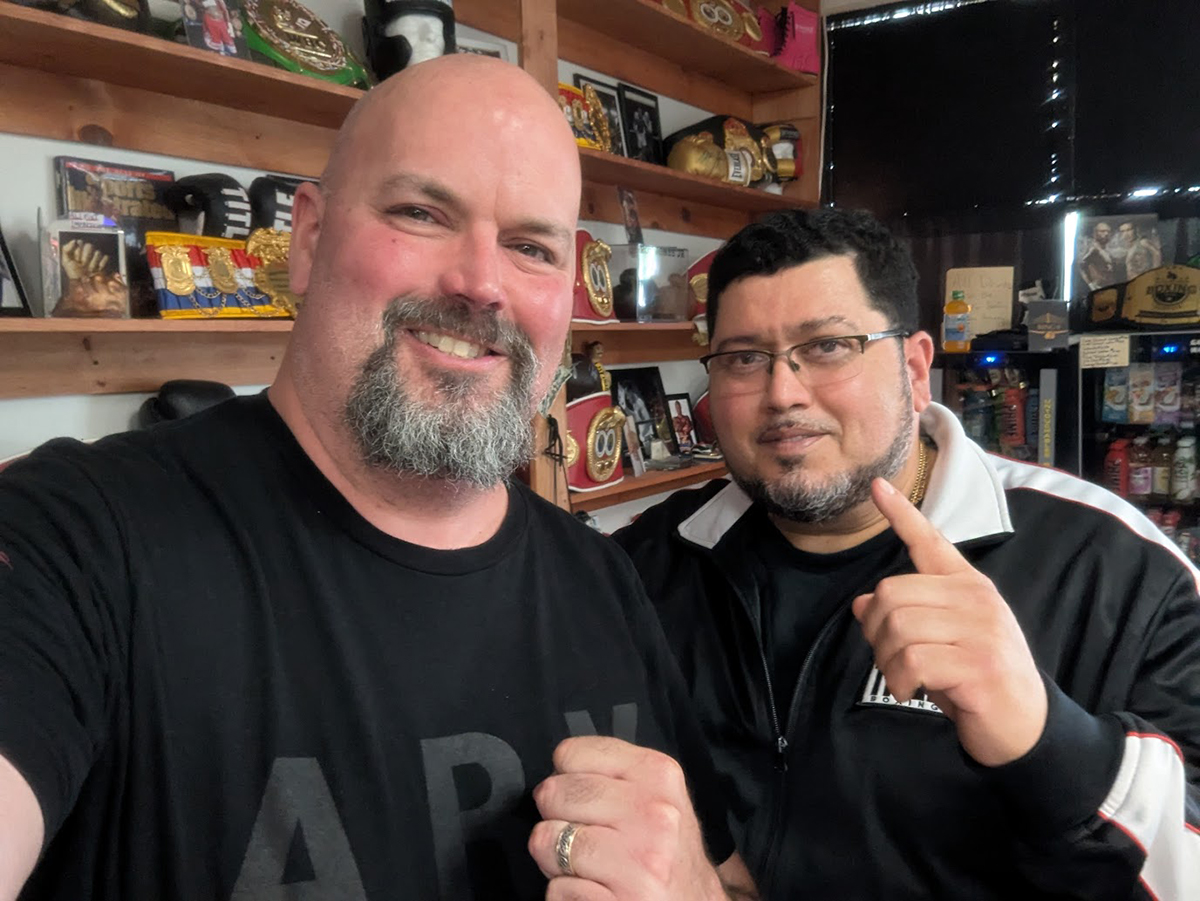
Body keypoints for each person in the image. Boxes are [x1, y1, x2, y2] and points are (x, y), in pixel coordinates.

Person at [0, 56, 755, 901]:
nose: (481, 284)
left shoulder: (604, 582)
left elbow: (723, 877)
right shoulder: (75, 536)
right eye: (423, 212)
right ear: (311, 240)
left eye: (531, 247)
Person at [615, 207, 1200, 899]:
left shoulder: (1115, 568)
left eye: (829, 346)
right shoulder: (646, 562)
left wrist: (1045, 737)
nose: (783, 393)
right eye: (745, 357)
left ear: (916, 368)